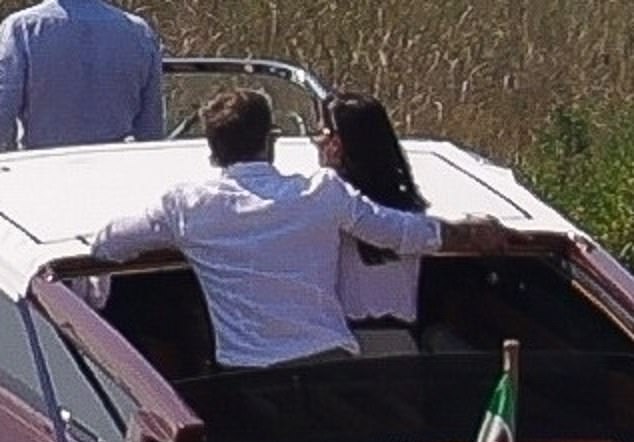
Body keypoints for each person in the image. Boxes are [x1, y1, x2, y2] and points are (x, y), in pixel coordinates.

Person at [91, 88, 450, 369]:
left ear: (214, 152)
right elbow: (401, 232)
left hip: (250, 375)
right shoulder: (321, 192)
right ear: (271, 140)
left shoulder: (186, 206)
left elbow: (109, 243)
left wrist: (96, 276)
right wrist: (467, 233)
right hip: (330, 362)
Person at [313, 92, 426, 326]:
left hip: (350, 340)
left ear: (338, 143)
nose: (317, 141)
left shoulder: (332, 199)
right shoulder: (406, 204)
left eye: (322, 133)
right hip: (401, 339)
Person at [0, 0, 163, 151]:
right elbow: (150, 129)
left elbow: (4, 111)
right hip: (113, 167)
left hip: (42, 166)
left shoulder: (22, 29)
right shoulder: (139, 31)